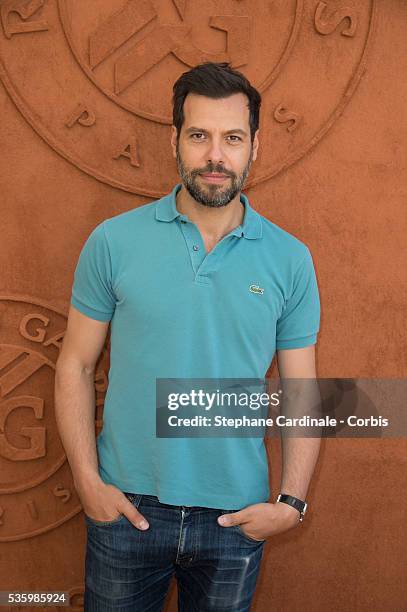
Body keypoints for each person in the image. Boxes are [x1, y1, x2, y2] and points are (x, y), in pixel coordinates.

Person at [55, 62, 321, 611]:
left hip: (235, 521)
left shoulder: (290, 261)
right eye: (199, 136)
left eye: (233, 138)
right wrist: (87, 482)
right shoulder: (112, 242)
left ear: (255, 146)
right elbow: (76, 365)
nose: (216, 156)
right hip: (126, 511)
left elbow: (303, 391)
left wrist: (291, 503)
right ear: (175, 139)